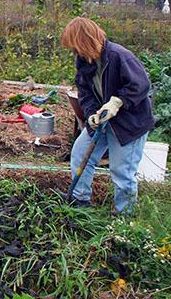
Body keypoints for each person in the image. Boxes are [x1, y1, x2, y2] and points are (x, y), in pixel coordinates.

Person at [61, 17, 155, 214]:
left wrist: (117, 101)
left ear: (84, 41)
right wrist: (91, 114)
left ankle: (124, 215)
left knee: (122, 172)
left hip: (129, 124)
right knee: (80, 153)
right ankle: (80, 201)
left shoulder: (119, 56)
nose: (74, 52)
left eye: (75, 47)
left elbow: (141, 85)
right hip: (102, 121)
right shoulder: (84, 62)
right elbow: (85, 92)